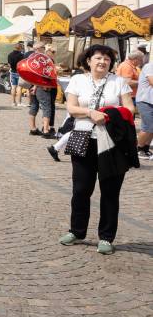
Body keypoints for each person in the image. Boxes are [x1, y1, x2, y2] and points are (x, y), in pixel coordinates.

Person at [59, 45, 137, 254]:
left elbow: (130, 108)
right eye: (98, 58)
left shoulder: (118, 82)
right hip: (83, 138)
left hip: (111, 143)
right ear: (89, 60)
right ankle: (77, 231)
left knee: (110, 192)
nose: (102, 62)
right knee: (81, 190)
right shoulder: (77, 80)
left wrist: (111, 112)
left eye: (107, 59)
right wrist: (90, 112)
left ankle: (106, 237)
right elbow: (72, 108)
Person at [28, 45, 57, 138]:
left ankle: (33, 128)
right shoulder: (44, 60)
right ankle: (45, 130)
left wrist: (33, 86)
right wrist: (36, 86)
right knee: (46, 107)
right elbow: (43, 74)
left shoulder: (31, 57)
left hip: (32, 85)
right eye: (51, 50)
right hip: (42, 86)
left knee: (34, 106)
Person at [135, 58, 153, 159]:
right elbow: (152, 82)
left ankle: (145, 149)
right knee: (148, 126)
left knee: (152, 127)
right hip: (145, 100)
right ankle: (138, 149)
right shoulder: (149, 66)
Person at [8, 42, 25, 107]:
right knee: (19, 87)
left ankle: (13, 102)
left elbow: (9, 64)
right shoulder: (21, 55)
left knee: (13, 87)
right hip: (19, 72)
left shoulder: (10, 54)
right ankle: (19, 102)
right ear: (20, 48)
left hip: (12, 72)